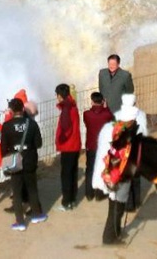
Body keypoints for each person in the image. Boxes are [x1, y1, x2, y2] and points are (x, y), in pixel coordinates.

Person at [93, 96, 148, 244]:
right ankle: (110, 237)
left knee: (114, 203)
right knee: (118, 205)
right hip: (120, 172)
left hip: (111, 170)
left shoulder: (113, 124)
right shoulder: (130, 130)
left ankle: (114, 232)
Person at [0, 98, 47, 231]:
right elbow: (38, 144)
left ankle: (20, 222)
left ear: (11, 111)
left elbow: (3, 148)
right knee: (32, 187)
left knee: (17, 191)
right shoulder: (32, 124)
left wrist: (10, 152)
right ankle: (38, 215)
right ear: (22, 109)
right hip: (30, 159)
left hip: (15, 160)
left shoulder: (7, 126)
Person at [83, 92, 113, 201]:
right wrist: (106, 108)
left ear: (92, 101)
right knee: (103, 169)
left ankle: (89, 194)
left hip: (91, 146)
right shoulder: (107, 114)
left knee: (90, 169)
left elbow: (87, 123)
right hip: (103, 147)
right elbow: (112, 119)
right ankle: (100, 193)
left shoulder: (86, 114)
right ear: (102, 102)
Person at [55, 83, 81, 211]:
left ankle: (66, 202)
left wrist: (60, 139)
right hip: (75, 145)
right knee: (73, 173)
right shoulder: (73, 105)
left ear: (60, 96)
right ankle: (72, 199)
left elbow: (66, 128)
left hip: (68, 146)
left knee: (65, 174)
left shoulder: (66, 109)